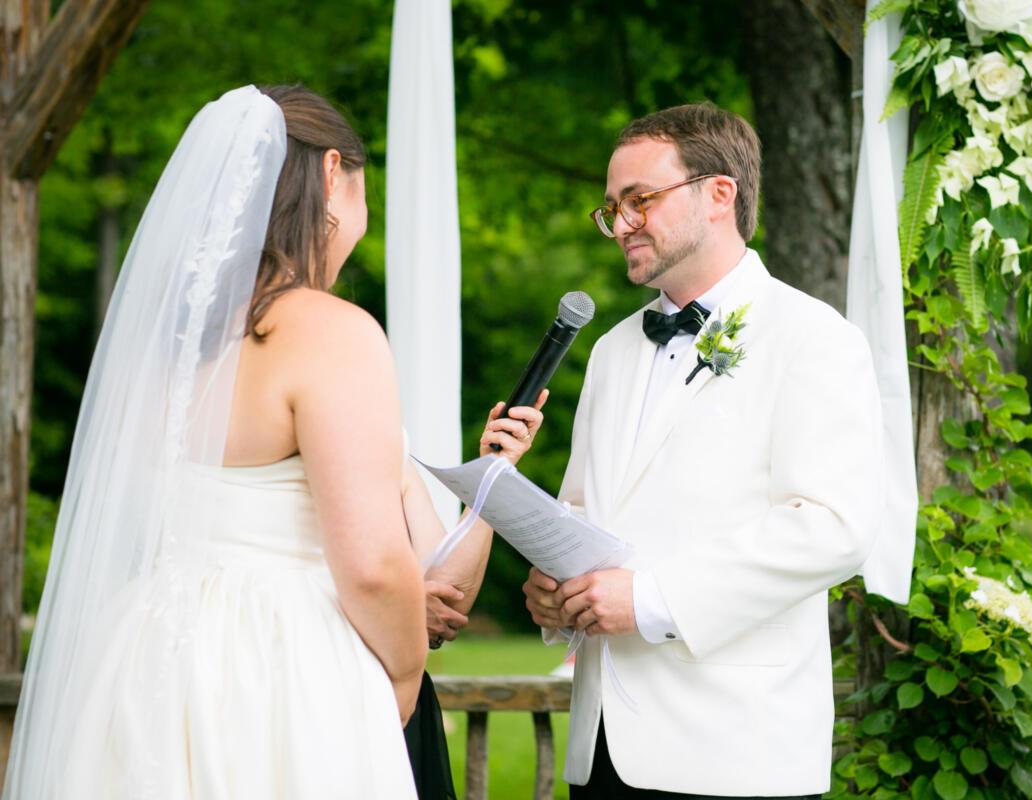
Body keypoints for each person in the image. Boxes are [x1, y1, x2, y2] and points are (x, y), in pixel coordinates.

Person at [3, 84, 542, 800]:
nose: (362, 215)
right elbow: (377, 569)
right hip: (279, 665)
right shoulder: (329, 331)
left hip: (146, 657)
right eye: (362, 188)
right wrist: (405, 675)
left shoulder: (162, 348)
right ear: (330, 177)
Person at [522, 102, 885, 798]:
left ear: (719, 194)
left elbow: (833, 527)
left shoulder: (814, 336)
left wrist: (651, 599)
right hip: (601, 750)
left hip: (734, 751)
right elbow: (583, 514)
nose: (621, 223)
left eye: (640, 200)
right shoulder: (609, 351)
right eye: (612, 207)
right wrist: (556, 591)